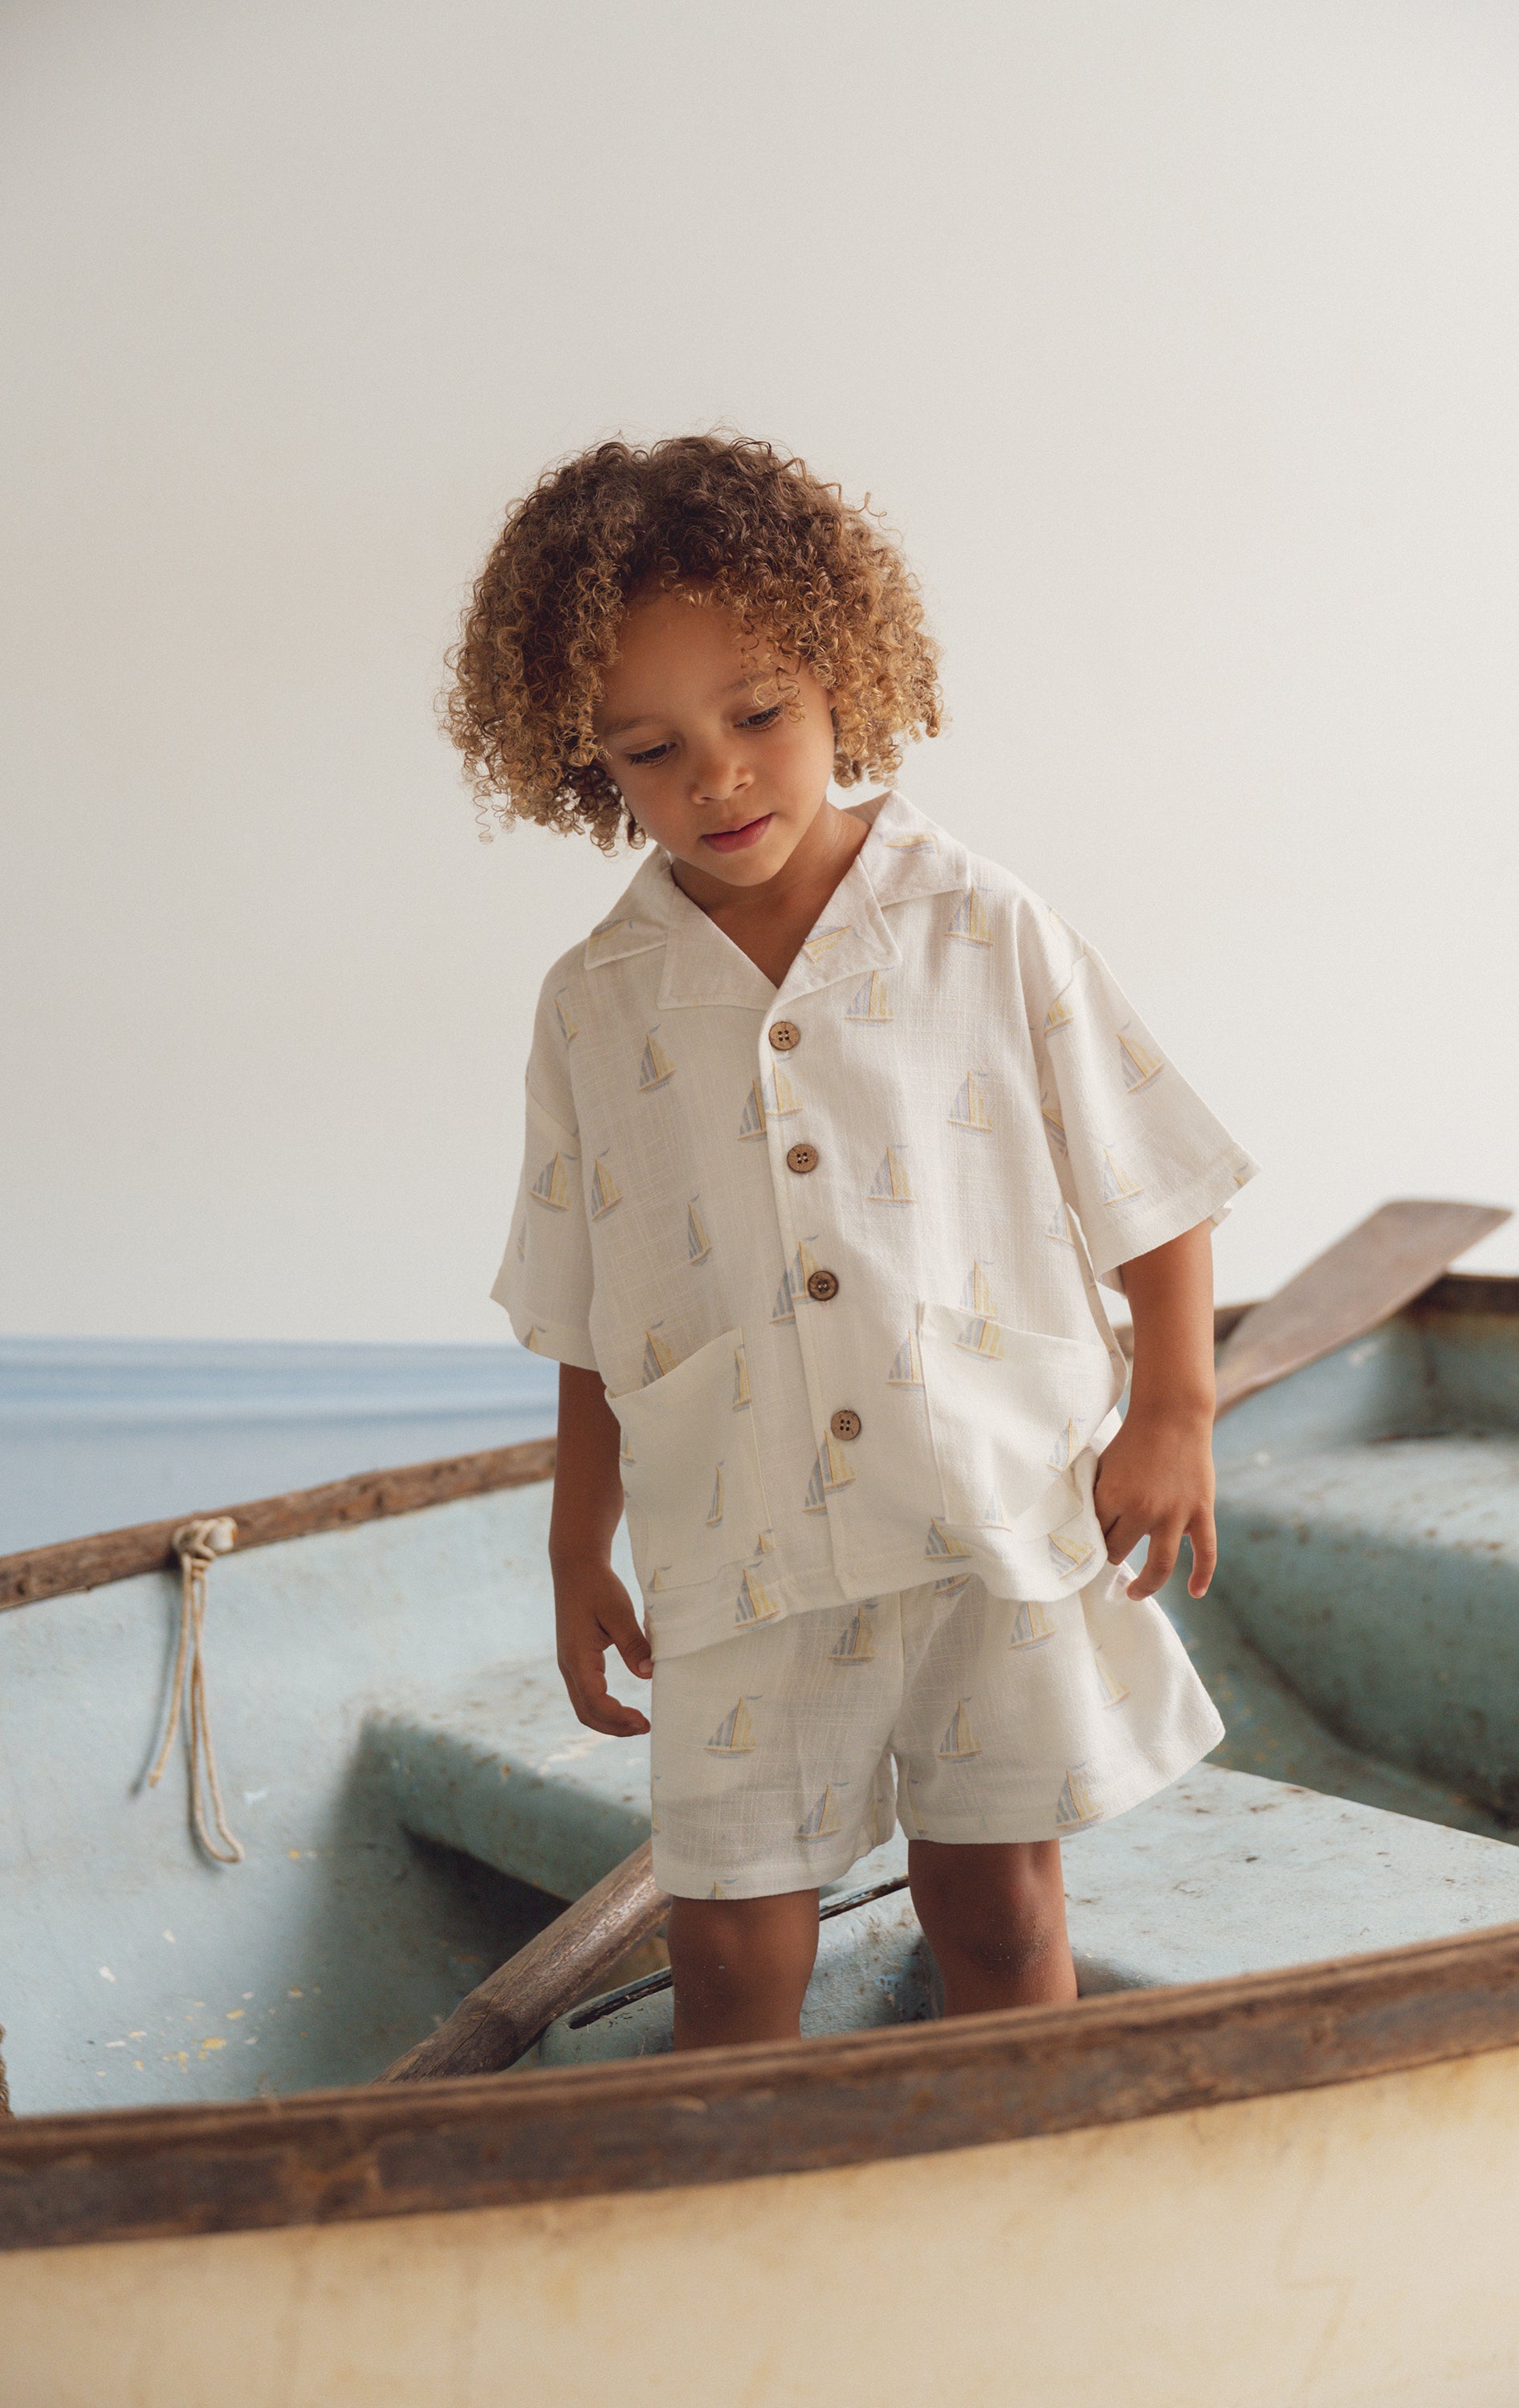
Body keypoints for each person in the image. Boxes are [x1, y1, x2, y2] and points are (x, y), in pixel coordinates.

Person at [446, 433, 1259, 2048]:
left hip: (981, 1511)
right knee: (730, 1947)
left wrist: (1175, 1408)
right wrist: (573, 1543)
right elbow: (593, 1309)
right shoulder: (594, 1005)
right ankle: (749, 2182)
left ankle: (1010, 2152)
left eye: (759, 715)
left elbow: (1154, 1180)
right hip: (738, 1543)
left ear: (843, 674)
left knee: (1000, 1906)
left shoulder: (979, 924)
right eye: (652, 749)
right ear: (586, 760)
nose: (718, 777)